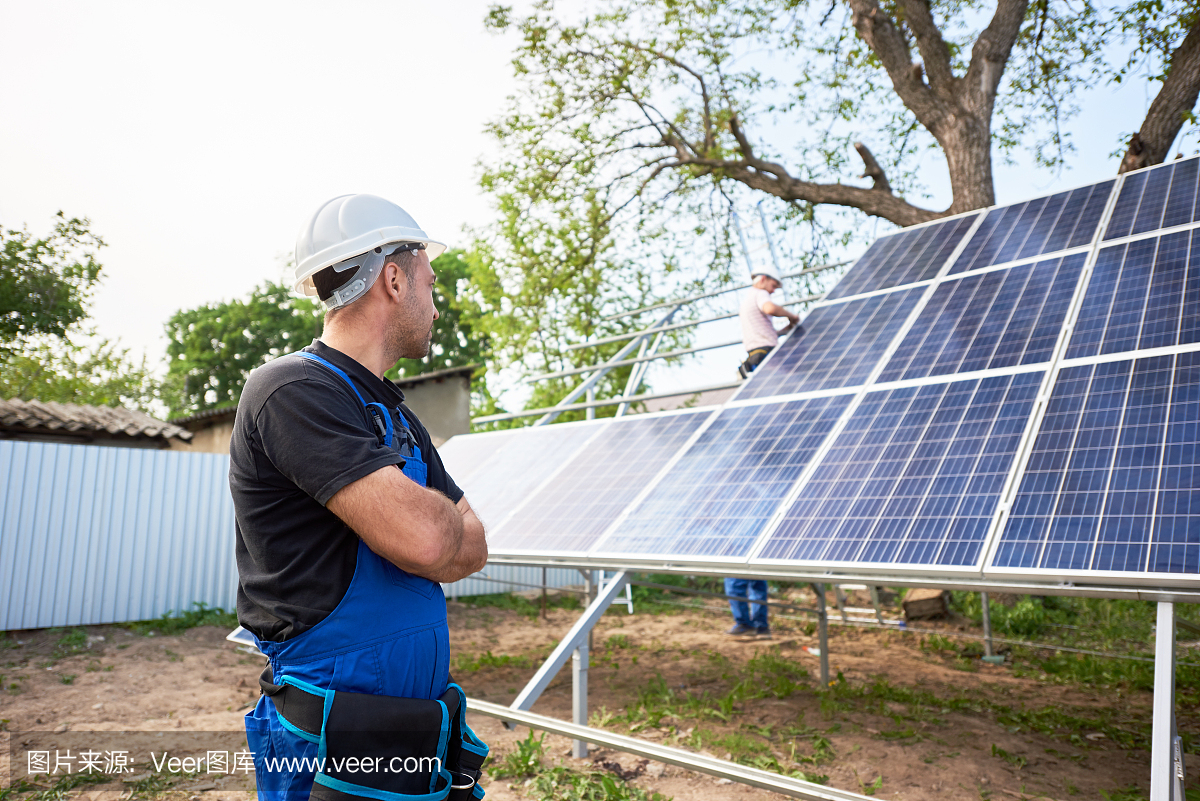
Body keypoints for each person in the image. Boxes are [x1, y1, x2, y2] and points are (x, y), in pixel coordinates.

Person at [230, 194, 490, 801]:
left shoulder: (394, 412)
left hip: (413, 720)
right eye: (429, 280)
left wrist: (428, 531)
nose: (434, 299)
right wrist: (431, 530)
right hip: (332, 727)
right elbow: (431, 541)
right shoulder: (292, 390)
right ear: (394, 280)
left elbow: (474, 545)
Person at [737, 265, 799, 379]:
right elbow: (770, 308)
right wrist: (791, 316)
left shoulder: (747, 300)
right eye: (773, 286)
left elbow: (761, 332)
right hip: (767, 353)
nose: (773, 291)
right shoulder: (760, 293)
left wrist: (785, 329)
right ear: (763, 279)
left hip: (755, 355)